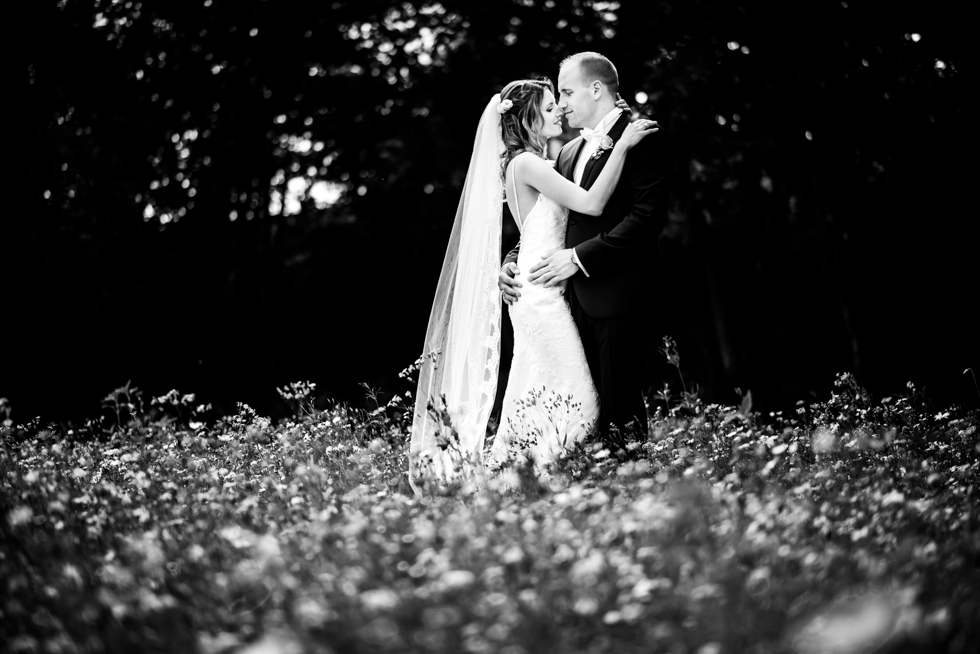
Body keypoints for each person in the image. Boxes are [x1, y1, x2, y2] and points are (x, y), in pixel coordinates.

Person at [409, 75, 657, 490]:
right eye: (547, 107)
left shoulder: (536, 161)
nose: (557, 110)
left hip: (541, 288)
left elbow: (532, 234)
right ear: (526, 118)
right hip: (541, 295)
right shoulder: (527, 164)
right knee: (580, 398)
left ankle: (526, 476)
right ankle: (560, 478)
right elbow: (591, 203)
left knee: (539, 388)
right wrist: (625, 145)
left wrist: (511, 262)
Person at [499, 52, 671, 452]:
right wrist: (510, 263)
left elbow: (645, 220)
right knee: (580, 409)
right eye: (556, 97)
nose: (561, 104)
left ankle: (628, 490)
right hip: (566, 301)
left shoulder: (642, 134)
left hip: (617, 294)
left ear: (596, 89)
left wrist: (578, 258)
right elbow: (546, 223)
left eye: (567, 92)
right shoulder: (567, 152)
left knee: (619, 409)